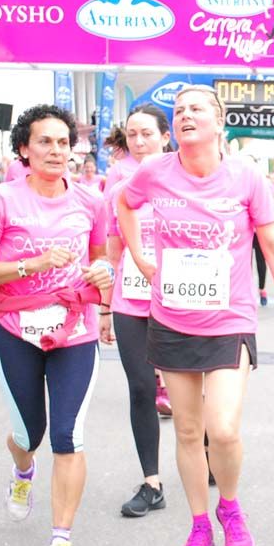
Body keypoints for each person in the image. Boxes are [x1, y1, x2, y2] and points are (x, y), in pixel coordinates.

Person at [117, 84, 274, 546]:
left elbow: (272, 246)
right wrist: (140, 257)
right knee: (187, 430)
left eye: (196, 109)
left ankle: (231, 508)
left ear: (219, 122)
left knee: (221, 429)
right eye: (178, 109)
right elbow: (124, 204)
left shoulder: (246, 177)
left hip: (229, 318)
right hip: (171, 318)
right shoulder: (154, 171)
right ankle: (199, 525)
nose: (185, 115)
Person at [0, 104, 114, 546]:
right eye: (44, 142)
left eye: (63, 142)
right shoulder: (1, 200)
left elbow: (101, 259)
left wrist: (103, 275)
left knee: (69, 435)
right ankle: (23, 470)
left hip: (74, 330)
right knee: (29, 435)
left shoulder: (91, 201)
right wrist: (33, 264)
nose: (55, 150)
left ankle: (60, 545)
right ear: (24, 149)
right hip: (14, 329)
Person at [99, 104, 174, 517]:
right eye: (132, 134)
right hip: (131, 296)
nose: (139, 141)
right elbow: (113, 246)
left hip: (180, 296)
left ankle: (206, 449)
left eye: (147, 133)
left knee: (190, 388)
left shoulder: (184, 176)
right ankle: (152, 482)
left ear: (165, 137)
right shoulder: (119, 180)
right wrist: (105, 308)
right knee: (142, 388)